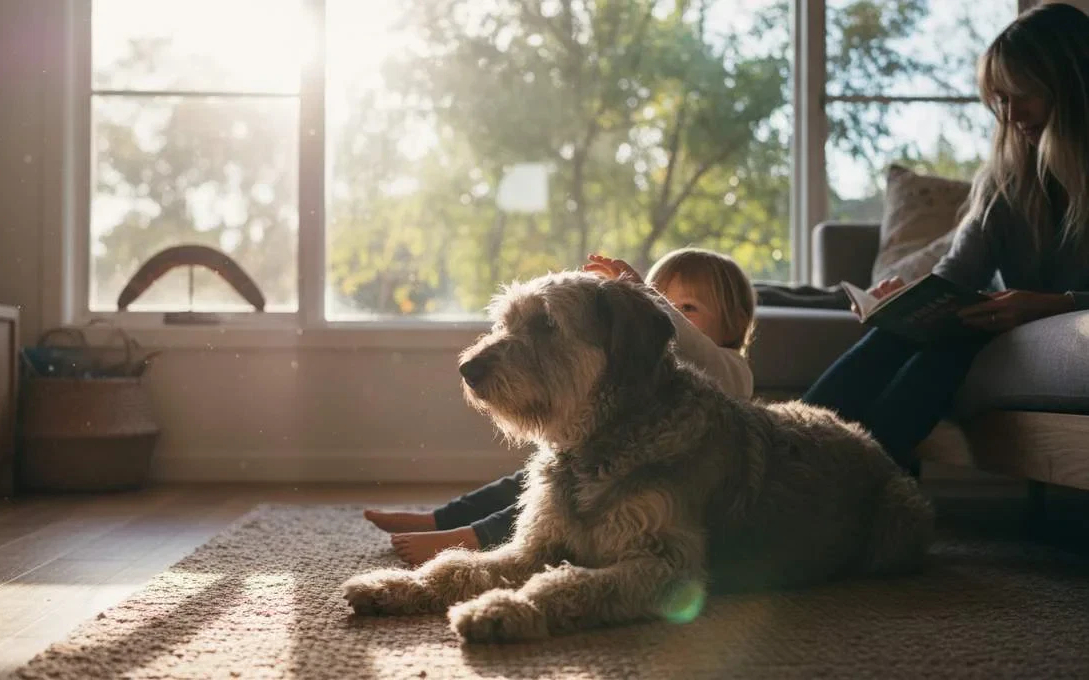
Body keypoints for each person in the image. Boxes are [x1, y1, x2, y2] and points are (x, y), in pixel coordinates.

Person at [801, 2, 1089, 473]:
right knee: (911, 335)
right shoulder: (1006, 181)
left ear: (1071, 86)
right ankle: (796, 451)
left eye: (1024, 95)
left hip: (1037, 315)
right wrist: (909, 303)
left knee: (955, 341)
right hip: (998, 318)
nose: (1011, 114)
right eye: (1001, 101)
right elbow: (955, 275)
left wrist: (1049, 304)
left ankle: (852, 473)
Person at [365, 248, 758, 564]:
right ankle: (443, 517)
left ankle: (471, 537)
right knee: (529, 480)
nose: (674, 318)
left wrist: (646, 302)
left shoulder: (734, 371)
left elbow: (690, 349)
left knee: (551, 503)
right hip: (614, 438)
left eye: (686, 307)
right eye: (664, 300)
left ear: (737, 323)